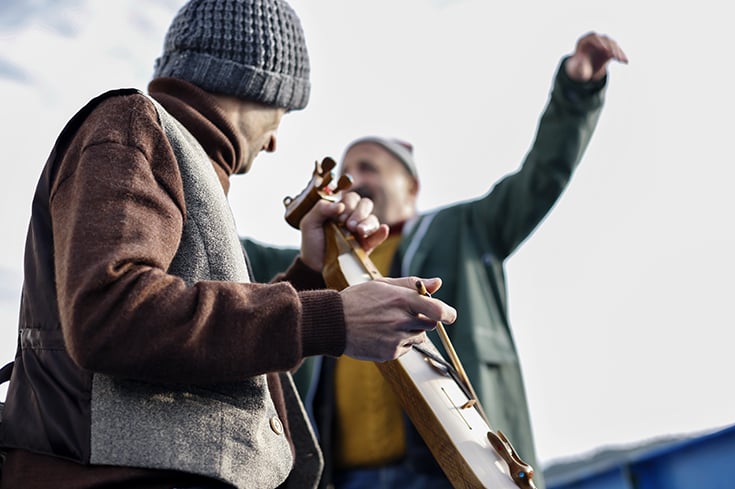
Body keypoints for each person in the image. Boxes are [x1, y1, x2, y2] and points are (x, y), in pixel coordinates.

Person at [0, 1, 458, 488]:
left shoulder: (177, 158)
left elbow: (210, 347)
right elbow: (109, 314)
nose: (276, 140)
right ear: (257, 83)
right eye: (282, 110)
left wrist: (309, 272)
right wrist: (333, 318)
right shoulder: (133, 125)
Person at [242, 32, 628, 489]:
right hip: (342, 479)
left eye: (369, 167)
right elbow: (227, 244)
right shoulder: (313, 263)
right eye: (346, 170)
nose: (354, 179)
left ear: (411, 187)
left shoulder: (465, 229)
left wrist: (576, 91)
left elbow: (542, 176)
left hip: (454, 468)